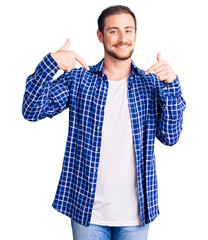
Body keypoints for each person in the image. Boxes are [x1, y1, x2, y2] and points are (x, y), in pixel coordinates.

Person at [22, 5, 186, 240]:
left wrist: (172, 86)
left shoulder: (152, 83)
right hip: (87, 212)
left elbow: (170, 137)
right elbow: (31, 110)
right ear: (100, 35)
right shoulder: (80, 80)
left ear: (136, 36)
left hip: (136, 215)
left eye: (129, 31)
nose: (122, 38)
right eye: (113, 31)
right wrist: (50, 64)